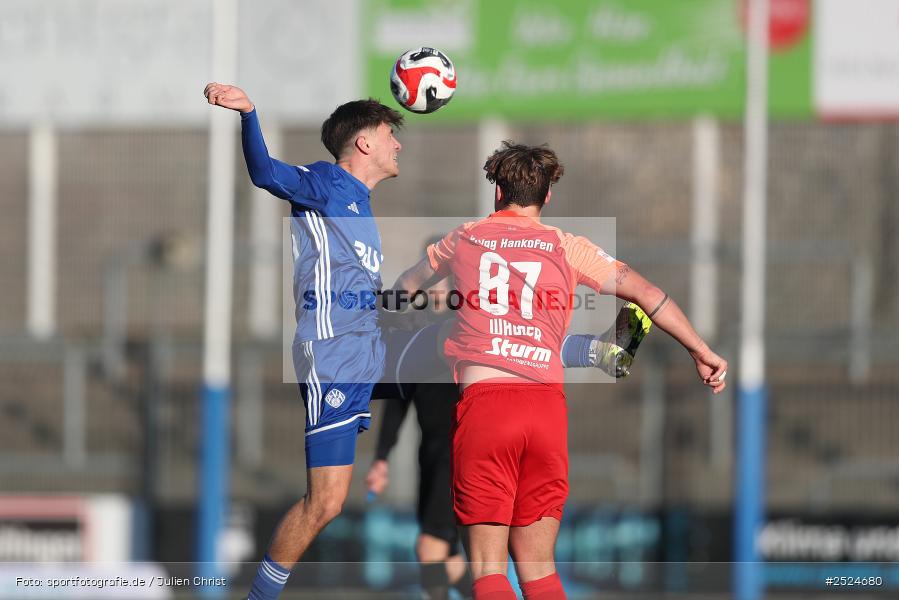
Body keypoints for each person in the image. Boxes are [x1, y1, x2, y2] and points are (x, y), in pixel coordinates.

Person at [390, 142, 728, 600]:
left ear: (497, 191)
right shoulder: (568, 247)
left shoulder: (464, 237)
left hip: (488, 406)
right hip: (546, 409)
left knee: (489, 571)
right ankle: (597, 351)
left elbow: (403, 288)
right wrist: (700, 349)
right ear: (547, 196)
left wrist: (395, 317)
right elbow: (647, 294)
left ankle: (595, 351)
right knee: (540, 571)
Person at [204, 82, 403, 600]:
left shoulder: (360, 202)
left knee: (464, 361)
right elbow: (265, 172)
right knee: (324, 503)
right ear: (362, 144)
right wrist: (250, 114)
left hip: (366, 350)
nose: (397, 144)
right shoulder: (326, 182)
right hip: (333, 354)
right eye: (389, 134)